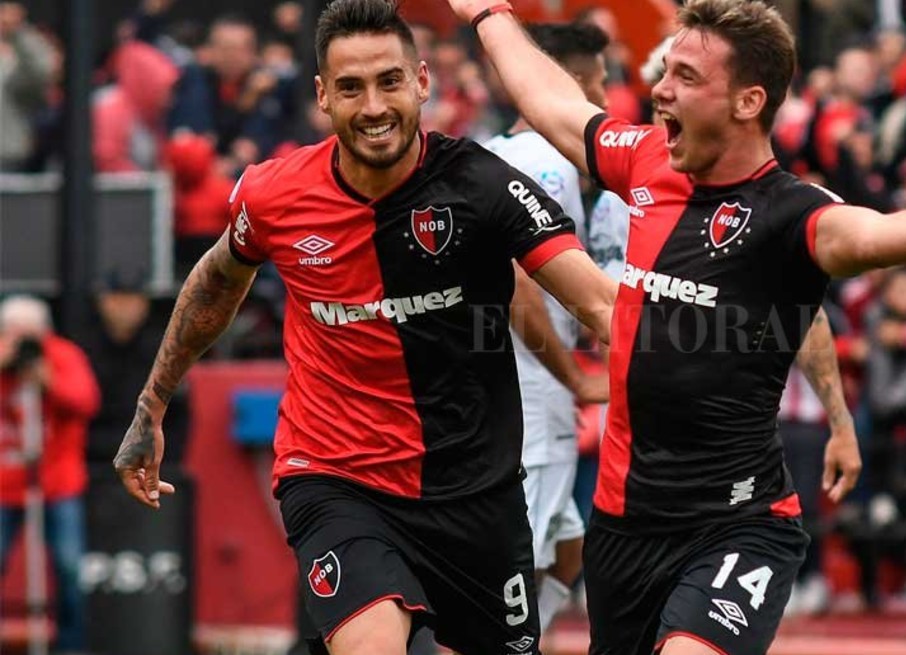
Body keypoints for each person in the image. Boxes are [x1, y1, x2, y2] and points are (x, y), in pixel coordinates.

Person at [450, 1, 906, 653]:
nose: (660, 89)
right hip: (624, 523)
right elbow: (552, 103)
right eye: (666, 71)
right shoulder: (647, 160)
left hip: (737, 523)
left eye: (685, 76)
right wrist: (489, 13)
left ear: (748, 101)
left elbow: (869, 233)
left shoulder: (790, 214)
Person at [111, 2, 616, 654]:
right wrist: (151, 403)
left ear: (422, 82)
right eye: (351, 87)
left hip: (476, 489)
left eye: (389, 81)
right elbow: (215, 282)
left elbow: (600, 304)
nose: (374, 107)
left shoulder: (486, 185)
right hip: (338, 477)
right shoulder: (274, 194)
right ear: (323, 96)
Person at [483, 20, 617, 635]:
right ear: (570, 83)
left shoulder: (492, 152)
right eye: (599, 83)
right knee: (519, 570)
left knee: (567, 545)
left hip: (501, 383)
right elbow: (518, 283)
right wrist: (576, 380)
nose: (606, 99)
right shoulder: (549, 162)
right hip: (531, 390)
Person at [0, 295, 101, 654]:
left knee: (70, 568)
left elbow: (86, 401)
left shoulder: (64, 356)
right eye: (15, 333)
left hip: (57, 482)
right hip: (5, 484)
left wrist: (48, 381)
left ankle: (71, 647)